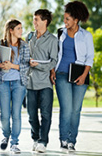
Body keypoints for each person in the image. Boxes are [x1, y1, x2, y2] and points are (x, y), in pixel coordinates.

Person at [50, 1, 94, 151]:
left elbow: (90, 58)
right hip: (62, 73)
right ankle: (63, 139)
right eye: (64, 18)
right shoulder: (60, 32)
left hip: (80, 75)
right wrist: (52, 70)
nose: (65, 21)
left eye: (68, 18)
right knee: (66, 108)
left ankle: (71, 140)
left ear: (76, 20)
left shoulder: (86, 35)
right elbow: (55, 54)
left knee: (76, 110)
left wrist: (83, 75)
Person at [0, 19, 30, 154]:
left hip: (18, 83)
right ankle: (6, 135)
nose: (21, 31)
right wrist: (0, 65)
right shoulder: (2, 44)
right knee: (4, 115)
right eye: (18, 29)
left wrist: (12, 66)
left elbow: (27, 66)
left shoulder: (25, 46)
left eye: (21, 28)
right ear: (11, 30)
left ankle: (14, 143)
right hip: (3, 82)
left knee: (16, 114)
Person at [26, 9, 58, 153]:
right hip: (30, 82)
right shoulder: (29, 37)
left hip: (45, 83)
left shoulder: (52, 40)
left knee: (45, 114)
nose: (34, 22)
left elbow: (53, 62)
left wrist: (38, 65)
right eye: (34, 19)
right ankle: (35, 138)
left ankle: (43, 142)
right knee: (31, 115)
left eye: (36, 19)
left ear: (45, 21)